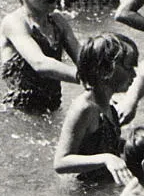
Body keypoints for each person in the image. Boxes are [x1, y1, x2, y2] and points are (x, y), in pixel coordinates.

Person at [0, 0, 79, 113]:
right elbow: (40, 63)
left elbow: (83, 58)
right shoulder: (15, 22)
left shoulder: (58, 22)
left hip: (52, 109)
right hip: (19, 114)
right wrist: (87, 78)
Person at [55, 33, 137, 186]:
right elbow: (60, 162)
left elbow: (104, 143)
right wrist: (107, 158)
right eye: (129, 67)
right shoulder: (85, 108)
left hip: (102, 184)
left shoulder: (108, 105)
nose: (134, 74)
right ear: (106, 70)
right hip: (83, 193)